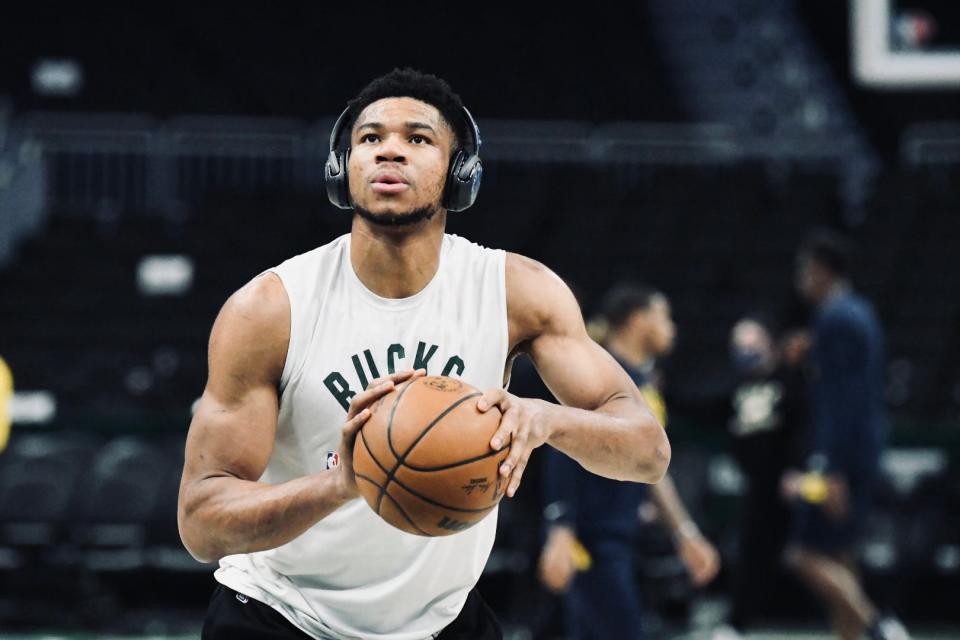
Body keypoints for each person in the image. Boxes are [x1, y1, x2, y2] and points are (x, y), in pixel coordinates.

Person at [177, 69, 671, 640]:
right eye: (369, 138)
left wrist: (545, 419)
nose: (389, 149)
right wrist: (343, 483)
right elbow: (201, 522)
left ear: (461, 175)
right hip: (279, 616)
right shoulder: (270, 309)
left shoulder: (516, 292)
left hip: (443, 621)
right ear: (342, 169)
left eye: (417, 138)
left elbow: (647, 452)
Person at [538, 283, 719, 640]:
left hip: (619, 538)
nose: (672, 327)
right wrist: (560, 528)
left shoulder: (641, 384)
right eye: (664, 316)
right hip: (590, 540)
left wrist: (684, 534)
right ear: (638, 321)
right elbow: (560, 446)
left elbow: (652, 469)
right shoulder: (596, 376)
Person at [782, 228, 910, 640]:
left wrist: (830, 468)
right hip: (862, 451)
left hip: (841, 460)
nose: (800, 278)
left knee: (802, 554)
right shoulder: (860, 313)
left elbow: (841, 401)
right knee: (841, 554)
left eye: (804, 269)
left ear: (822, 271)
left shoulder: (836, 319)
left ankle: (879, 626)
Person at [717, 316, 808, 637]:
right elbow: (708, 410)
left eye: (750, 344)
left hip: (793, 483)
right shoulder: (739, 387)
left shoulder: (789, 379)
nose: (744, 352)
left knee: (812, 555)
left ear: (767, 343)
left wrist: (797, 468)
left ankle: (864, 619)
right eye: (738, 346)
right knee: (751, 555)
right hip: (758, 486)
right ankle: (736, 623)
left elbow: (804, 425)